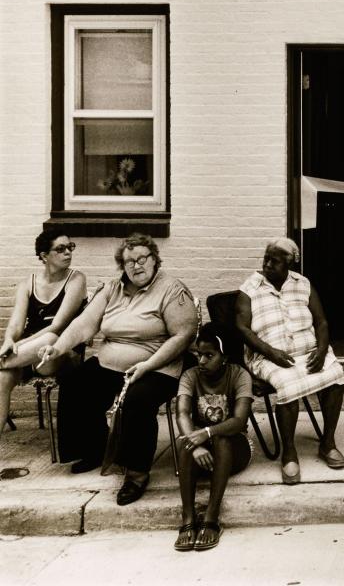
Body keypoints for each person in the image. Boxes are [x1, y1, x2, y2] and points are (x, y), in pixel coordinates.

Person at [37, 234, 198, 505]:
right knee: (77, 381)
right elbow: (84, 324)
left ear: (155, 259)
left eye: (142, 259)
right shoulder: (112, 289)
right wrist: (59, 347)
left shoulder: (172, 289)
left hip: (160, 365)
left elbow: (183, 336)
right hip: (111, 363)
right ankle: (93, 450)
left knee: (137, 399)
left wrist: (147, 365)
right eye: (128, 262)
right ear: (122, 266)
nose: (136, 266)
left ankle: (136, 474)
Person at [236, 238, 344, 485]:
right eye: (266, 258)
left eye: (274, 261)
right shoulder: (250, 287)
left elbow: (322, 322)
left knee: (335, 374)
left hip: (308, 351)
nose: (267, 264)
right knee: (287, 384)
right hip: (268, 356)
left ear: (290, 262)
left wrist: (322, 349)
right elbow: (242, 328)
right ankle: (289, 452)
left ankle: (328, 443)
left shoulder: (302, 284)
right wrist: (270, 351)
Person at [0, 230, 89, 440]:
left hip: (60, 353)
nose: (68, 252)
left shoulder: (76, 279)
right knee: (2, 378)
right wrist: (9, 340)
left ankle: (3, 360)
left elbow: (57, 327)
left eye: (70, 247)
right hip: (25, 354)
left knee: (49, 340)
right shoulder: (27, 284)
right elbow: (16, 324)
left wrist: (19, 346)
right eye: (60, 249)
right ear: (44, 255)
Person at [174, 323, 254, 552]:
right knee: (186, 444)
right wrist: (195, 444)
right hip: (202, 453)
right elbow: (181, 413)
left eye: (209, 355)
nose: (201, 361)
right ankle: (188, 517)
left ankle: (211, 517)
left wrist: (207, 432)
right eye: (199, 355)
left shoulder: (239, 375)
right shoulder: (190, 376)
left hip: (234, 447)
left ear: (225, 356)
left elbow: (238, 420)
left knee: (221, 438)